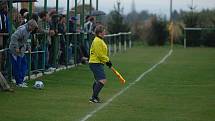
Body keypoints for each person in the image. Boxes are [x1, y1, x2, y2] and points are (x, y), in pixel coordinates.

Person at [9, 19, 38, 88]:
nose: (33, 29)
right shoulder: (22, 30)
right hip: (15, 51)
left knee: (24, 65)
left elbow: (27, 40)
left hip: (21, 51)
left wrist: (29, 47)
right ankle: (18, 82)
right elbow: (13, 37)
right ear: (30, 25)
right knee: (17, 66)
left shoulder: (29, 31)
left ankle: (21, 81)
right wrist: (16, 47)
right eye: (33, 27)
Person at [89, 25, 112, 103]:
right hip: (95, 63)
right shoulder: (97, 41)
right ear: (99, 33)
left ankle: (95, 96)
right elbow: (99, 54)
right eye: (103, 31)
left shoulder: (100, 40)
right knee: (102, 80)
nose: (105, 32)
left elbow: (102, 53)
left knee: (98, 80)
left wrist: (106, 61)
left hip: (98, 63)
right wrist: (107, 61)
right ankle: (93, 97)